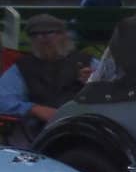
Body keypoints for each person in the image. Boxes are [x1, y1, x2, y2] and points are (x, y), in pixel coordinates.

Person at [0, 15, 97, 147]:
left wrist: (94, 82)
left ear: (64, 35)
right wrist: (33, 109)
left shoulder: (87, 62)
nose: (43, 38)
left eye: (50, 33)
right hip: (39, 133)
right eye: (36, 35)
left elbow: (116, 88)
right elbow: (3, 99)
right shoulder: (22, 67)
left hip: (87, 128)